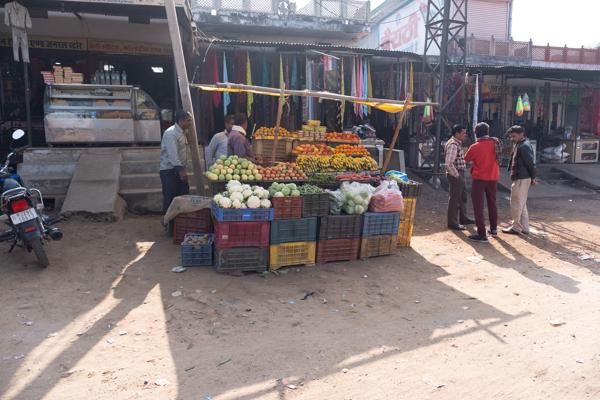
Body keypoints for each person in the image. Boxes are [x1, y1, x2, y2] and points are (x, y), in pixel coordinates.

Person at [464, 122, 502, 243]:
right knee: (492, 203)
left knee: (478, 206)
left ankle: (482, 234)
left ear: (476, 133)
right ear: (488, 131)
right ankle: (494, 229)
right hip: (493, 177)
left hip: (480, 179)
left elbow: (466, 159)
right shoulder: (495, 143)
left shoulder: (475, 146)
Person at [503, 125, 538, 235]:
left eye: (513, 136)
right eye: (511, 137)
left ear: (521, 134)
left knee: (516, 203)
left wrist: (533, 177)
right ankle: (524, 227)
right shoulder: (521, 144)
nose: (512, 139)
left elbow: (530, 164)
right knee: (521, 204)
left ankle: (516, 227)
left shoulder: (523, 146)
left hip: (521, 178)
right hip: (522, 177)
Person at [159, 110, 192, 214]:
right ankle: (168, 222)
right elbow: (173, 155)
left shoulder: (182, 132)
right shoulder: (171, 133)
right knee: (170, 198)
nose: (190, 123)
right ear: (181, 121)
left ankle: (178, 221)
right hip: (170, 171)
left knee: (182, 195)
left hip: (177, 169)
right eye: (188, 120)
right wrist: (181, 171)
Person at [445, 124, 474, 230]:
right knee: (455, 199)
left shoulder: (456, 143)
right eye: (463, 133)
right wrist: (457, 175)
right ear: (457, 134)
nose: (465, 135)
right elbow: (448, 164)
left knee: (462, 197)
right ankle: (453, 222)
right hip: (456, 174)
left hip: (458, 173)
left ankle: (463, 218)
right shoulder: (453, 145)